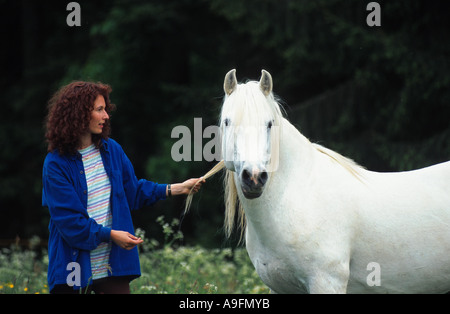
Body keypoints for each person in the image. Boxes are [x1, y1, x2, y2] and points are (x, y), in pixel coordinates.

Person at [42, 81, 204, 294]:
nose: (106, 116)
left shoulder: (112, 150)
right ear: (79, 114)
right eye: (99, 110)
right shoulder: (55, 164)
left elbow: (133, 192)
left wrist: (177, 188)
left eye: (105, 110)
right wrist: (111, 235)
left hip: (112, 268)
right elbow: (71, 223)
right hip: (73, 268)